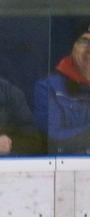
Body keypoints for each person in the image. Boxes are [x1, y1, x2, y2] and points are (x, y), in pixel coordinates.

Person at [34, 18, 90, 155]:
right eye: (84, 41)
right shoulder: (49, 87)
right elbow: (52, 139)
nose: (89, 49)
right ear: (72, 47)